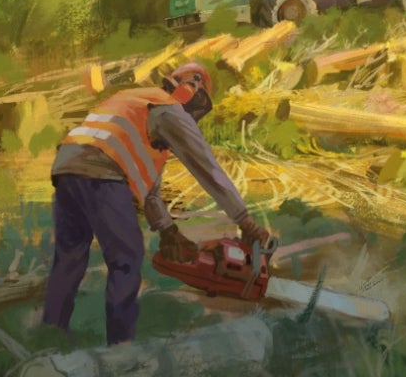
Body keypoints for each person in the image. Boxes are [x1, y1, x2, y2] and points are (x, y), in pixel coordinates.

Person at [43, 61, 271, 345]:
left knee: (69, 258)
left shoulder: (137, 103)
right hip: (101, 171)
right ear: (192, 88)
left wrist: (168, 230)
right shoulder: (168, 108)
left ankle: (49, 337)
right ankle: (121, 350)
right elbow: (206, 168)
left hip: (66, 166)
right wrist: (245, 221)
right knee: (126, 258)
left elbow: (149, 191)